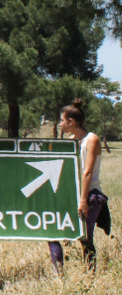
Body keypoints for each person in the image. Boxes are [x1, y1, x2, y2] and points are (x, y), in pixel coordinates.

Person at [47, 99, 109, 272]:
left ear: (71, 122)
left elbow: (87, 172)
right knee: (52, 233)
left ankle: (90, 275)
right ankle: (58, 273)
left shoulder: (92, 140)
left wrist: (83, 201)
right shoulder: (71, 141)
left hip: (89, 195)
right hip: (71, 195)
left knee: (85, 238)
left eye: (62, 120)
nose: (60, 124)